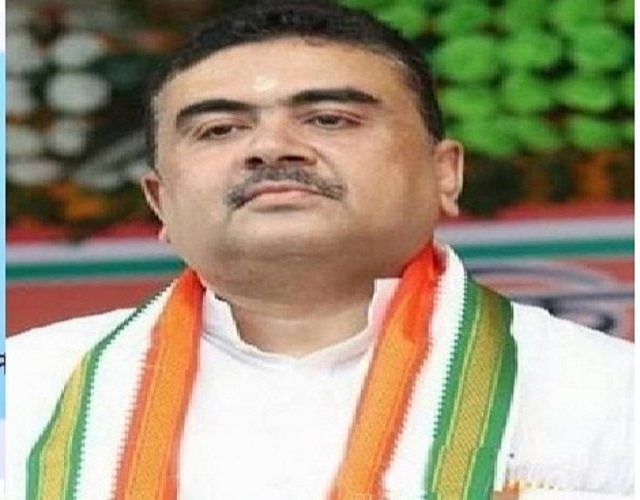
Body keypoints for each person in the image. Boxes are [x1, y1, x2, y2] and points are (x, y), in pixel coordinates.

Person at [8, 1, 633, 498]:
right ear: (160, 201)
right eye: (219, 129)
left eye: (329, 119)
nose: (271, 148)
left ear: (445, 173)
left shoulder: (611, 392)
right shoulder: (28, 387)